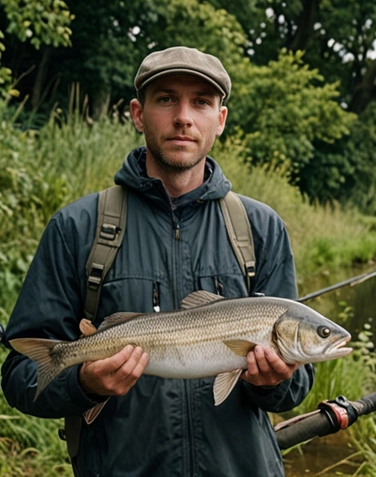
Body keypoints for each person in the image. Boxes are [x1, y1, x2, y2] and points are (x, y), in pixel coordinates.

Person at [1, 46, 314, 476]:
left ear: (220, 119)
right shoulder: (76, 227)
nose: (183, 116)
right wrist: (83, 384)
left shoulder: (261, 228)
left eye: (201, 102)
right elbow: (21, 376)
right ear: (138, 113)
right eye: (166, 99)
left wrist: (274, 382)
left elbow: (295, 387)